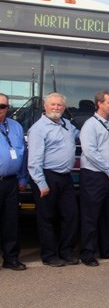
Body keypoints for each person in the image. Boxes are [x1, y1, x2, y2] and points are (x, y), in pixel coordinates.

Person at [27, 93, 80, 267]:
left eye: (59, 105)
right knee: (46, 218)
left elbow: (81, 135)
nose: (56, 108)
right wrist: (41, 183)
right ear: (45, 106)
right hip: (46, 176)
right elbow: (34, 161)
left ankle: (66, 251)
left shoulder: (67, 125)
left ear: (64, 108)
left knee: (71, 215)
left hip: (65, 177)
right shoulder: (38, 129)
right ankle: (49, 255)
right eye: (53, 105)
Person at [79, 90, 109, 267]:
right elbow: (90, 152)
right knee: (91, 216)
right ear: (99, 104)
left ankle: (107, 249)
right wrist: (108, 169)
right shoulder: (90, 125)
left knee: (108, 215)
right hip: (94, 176)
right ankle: (88, 254)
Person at [0, 93, 27, 271]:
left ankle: (11, 258)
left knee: (11, 222)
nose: (0, 109)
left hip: (11, 183)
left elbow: (23, 154)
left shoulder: (16, 126)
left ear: (8, 108)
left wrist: (22, 177)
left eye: (2, 106)